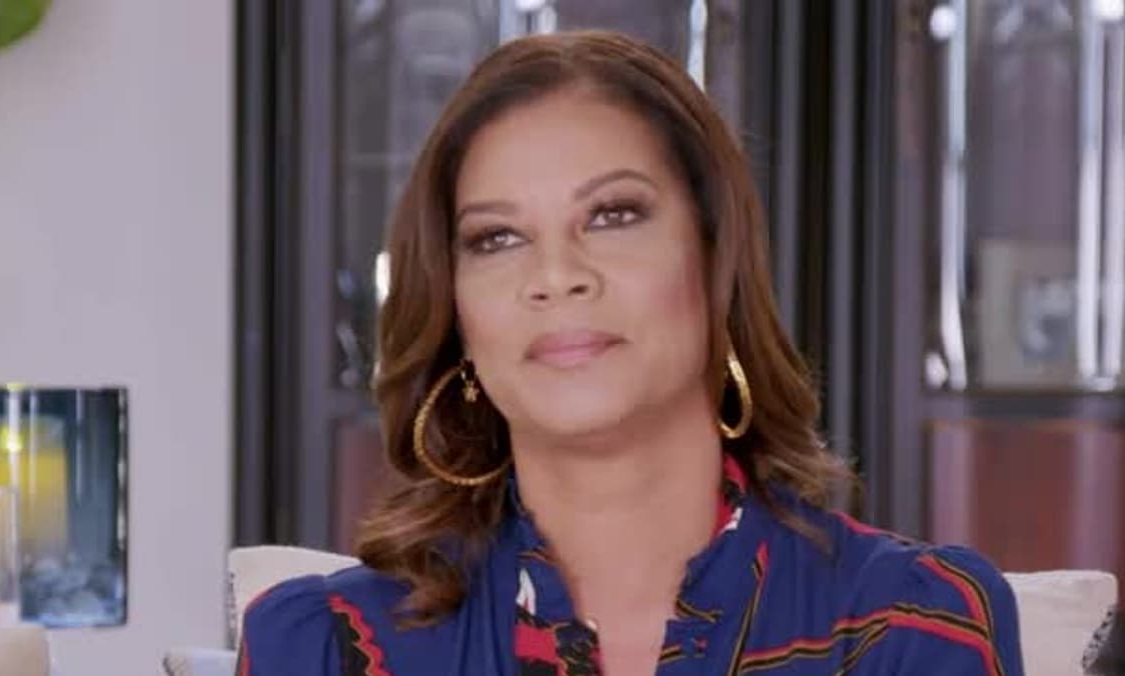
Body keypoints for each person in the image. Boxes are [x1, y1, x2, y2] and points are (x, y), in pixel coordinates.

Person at [237, 30, 1023, 676]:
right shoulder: (321, 648)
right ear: (457, 315)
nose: (556, 276)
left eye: (613, 215)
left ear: (714, 259)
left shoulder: (908, 624)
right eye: (497, 238)